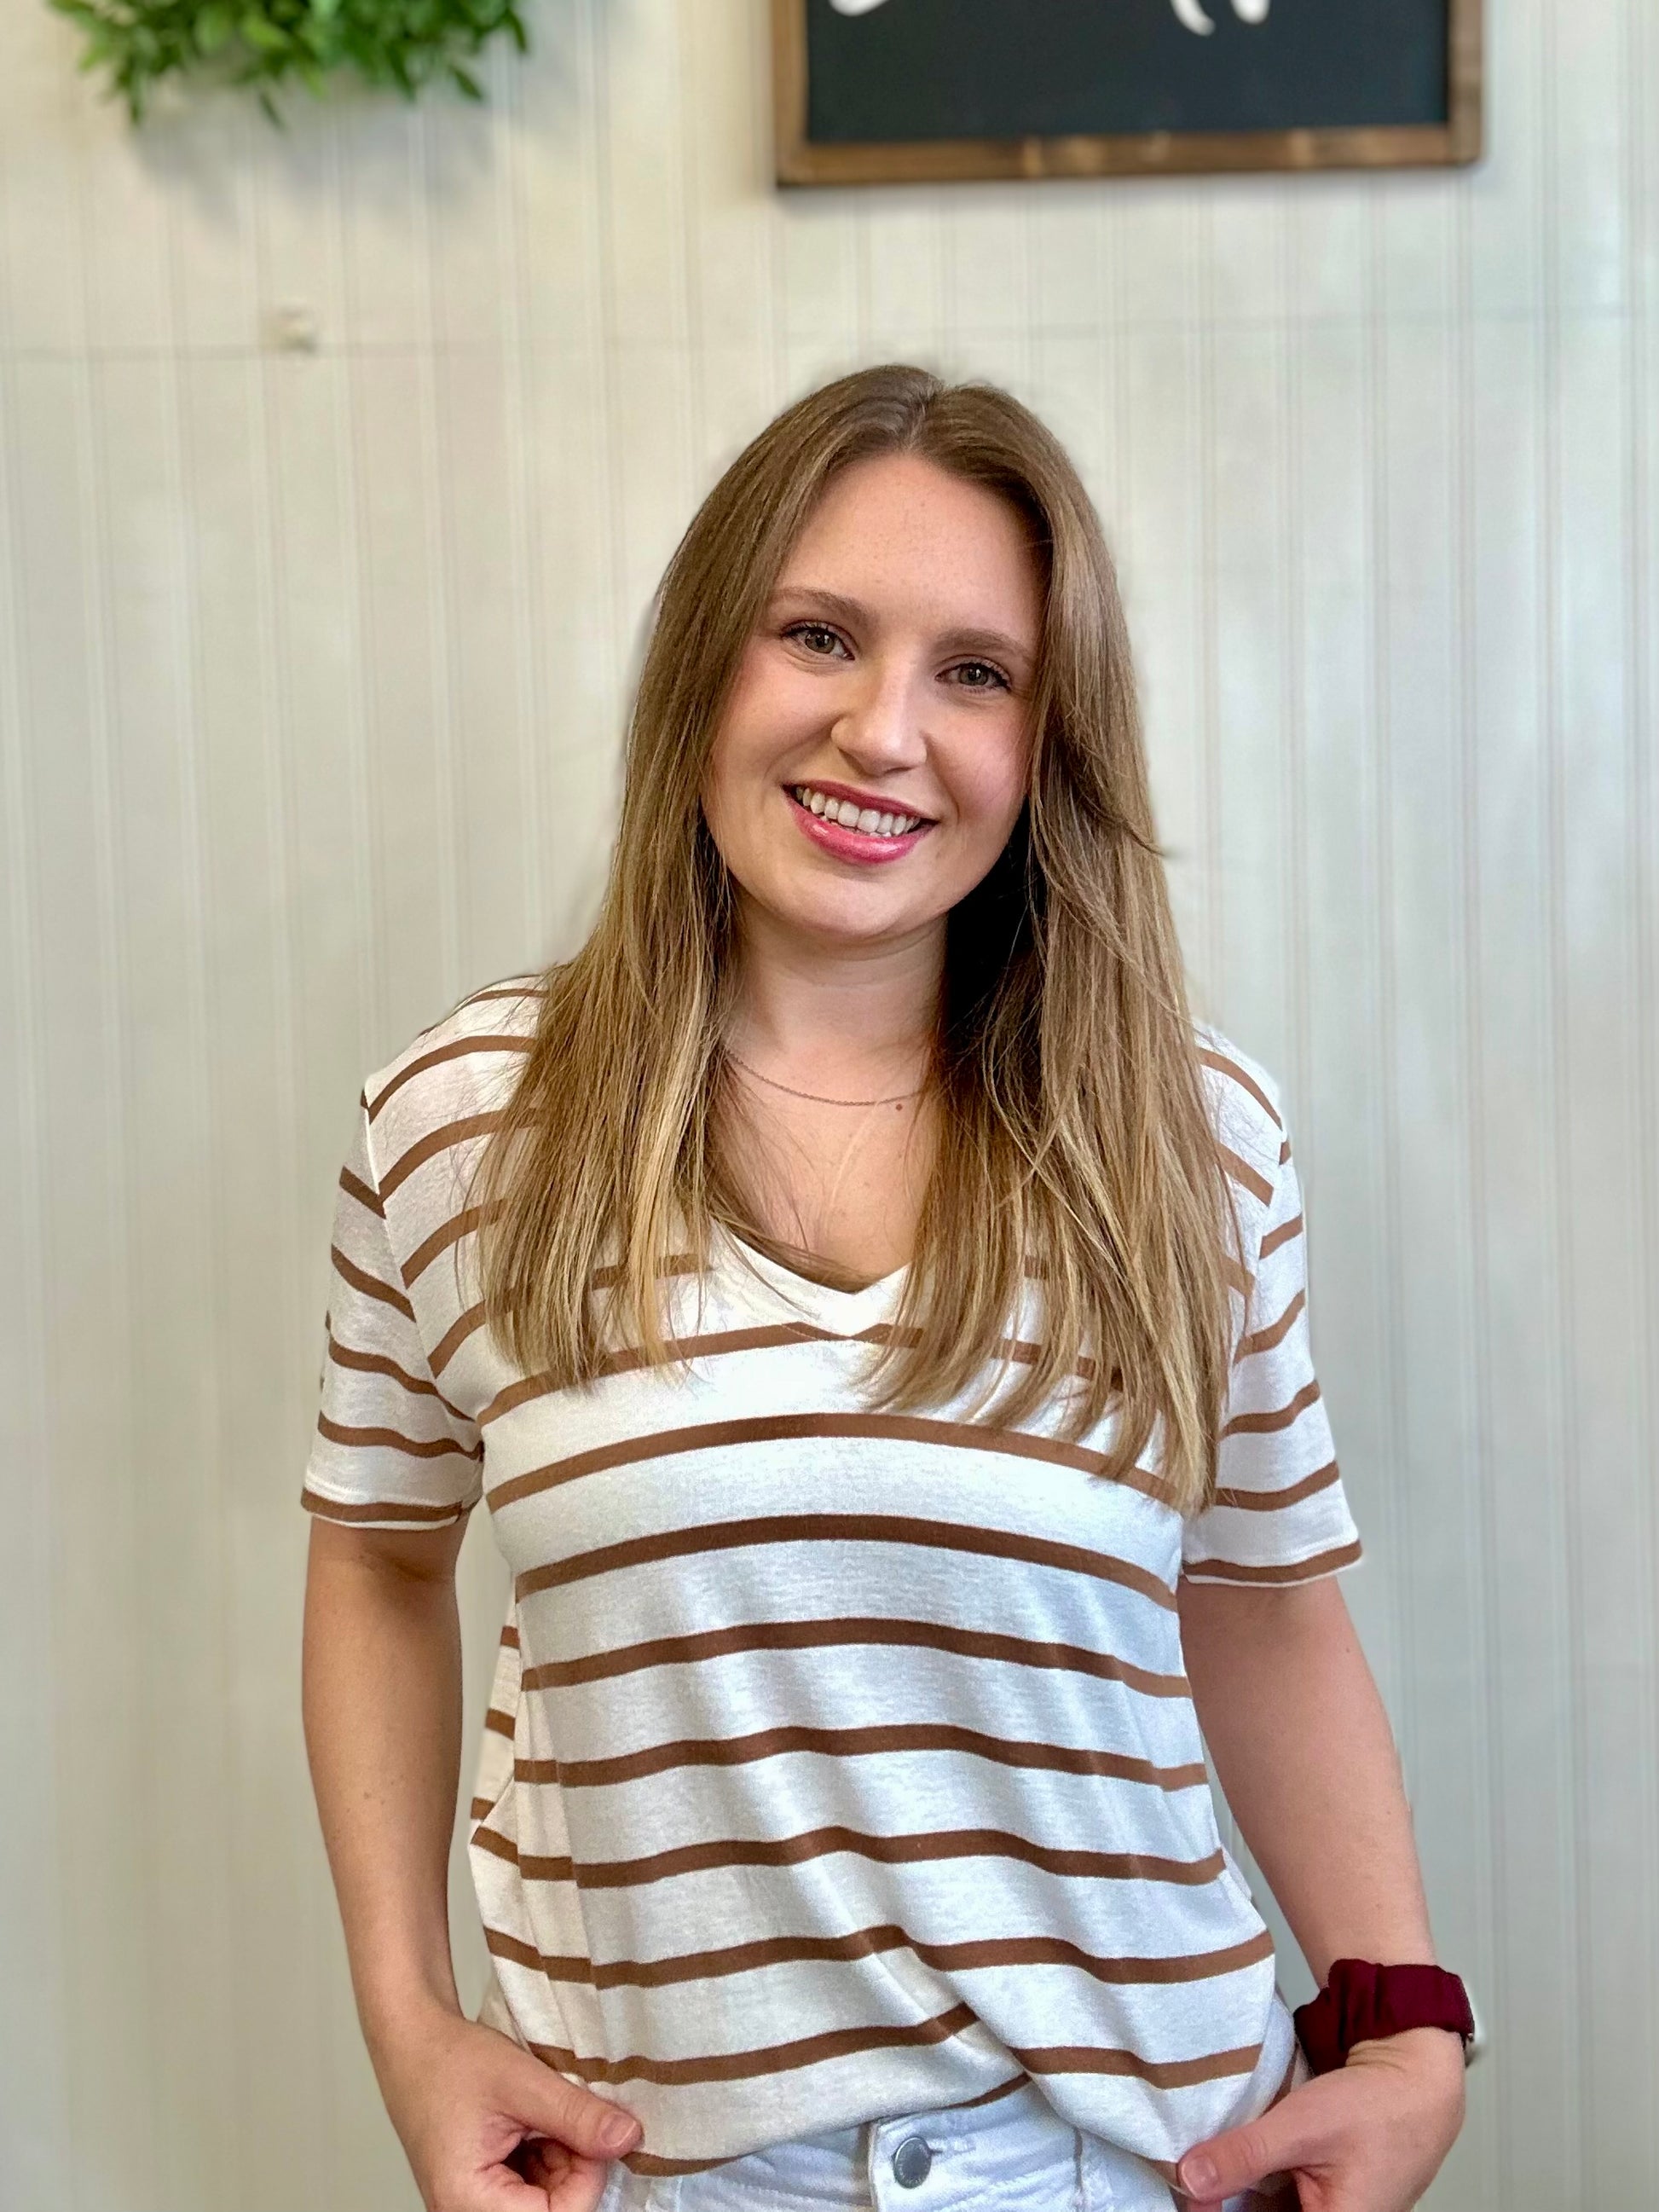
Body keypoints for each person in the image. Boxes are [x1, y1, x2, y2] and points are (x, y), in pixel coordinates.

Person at [301, 365, 1469, 2212]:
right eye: (819, 635)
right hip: (659, 2170)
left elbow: (1263, 1606)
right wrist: (404, 2015)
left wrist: (1404, 2030)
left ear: (1047, 742)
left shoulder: (1192, 1139)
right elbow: (376, 1564)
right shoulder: (462, 1124)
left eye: (975, 672)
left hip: (1142, 2157)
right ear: (705, 662)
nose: (882, 730)